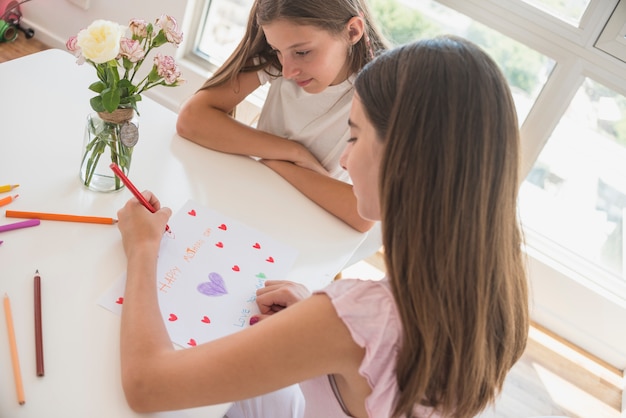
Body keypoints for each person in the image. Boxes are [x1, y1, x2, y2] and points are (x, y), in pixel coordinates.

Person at [117, 36, 529, 418]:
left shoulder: (359, 317)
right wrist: (320, 323)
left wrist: (143, 249)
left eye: (354, 137)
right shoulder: (496, 284)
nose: (345, 161)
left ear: (402, 158)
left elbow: (147, 385)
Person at [175, 0, 387, 235]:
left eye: (303, 52)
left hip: (312, 222)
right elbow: (192, 118)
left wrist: (277, 164)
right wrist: (293, 152)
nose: (287, 71)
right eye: (277, 50)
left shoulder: (379, 94)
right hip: (254, 197)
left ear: (353, 31)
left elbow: (362, 214)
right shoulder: (279, 58)